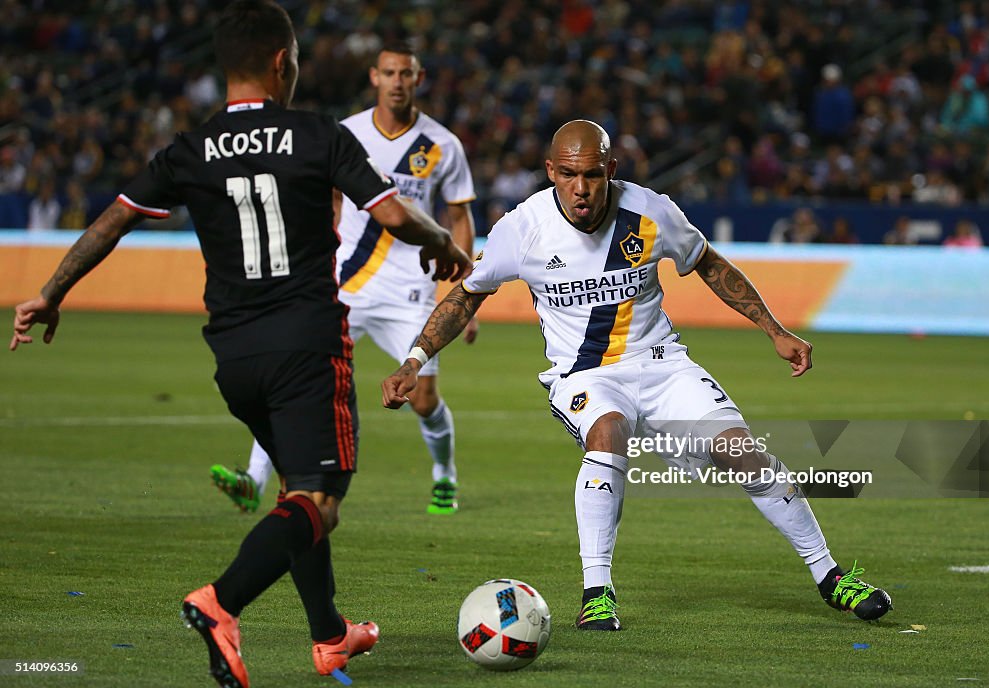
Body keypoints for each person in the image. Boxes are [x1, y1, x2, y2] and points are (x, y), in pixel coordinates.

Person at [10, 2, 471, 686]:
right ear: (283, 64)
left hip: (233, 354)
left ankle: (330, 635)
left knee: (294, 489)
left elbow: (114, 219)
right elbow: (396, 214)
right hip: (307, 345)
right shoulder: (317, 136)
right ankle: (221, 603)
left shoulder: (189, 149)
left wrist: (52, 290)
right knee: (320, 501)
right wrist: (441, 244)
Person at [382, 120, 892, 631]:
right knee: (607, 433)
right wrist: (414, 359)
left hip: (662, 364)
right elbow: (468, 292)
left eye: (591, 175)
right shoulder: (524, 227)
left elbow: (709, 264)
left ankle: (830, 576)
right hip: (585, 375)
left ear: (611, 170)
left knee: (744, 451)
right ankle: (597, 592)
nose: (580, 190)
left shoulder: (651, 211)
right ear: (550, 172)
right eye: (567, 175)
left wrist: (774, 330)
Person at [211, 41, 477, 516]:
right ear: (374, 77)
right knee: (294, 372)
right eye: (389, 73)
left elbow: (458, 217)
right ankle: (253, 479)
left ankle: (444, 475)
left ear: (419, 79)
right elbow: (329, 205)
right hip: (346, 285)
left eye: (407, 74)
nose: (398, 81)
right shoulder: (347, 133)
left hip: (410, 290)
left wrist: (464, 292)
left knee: (423, 400)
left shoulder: (443, 145)